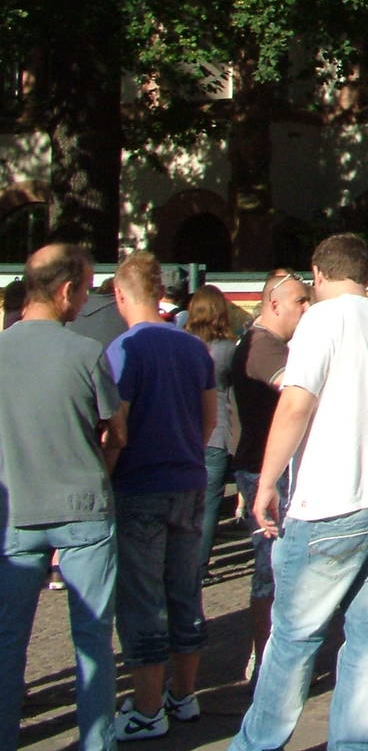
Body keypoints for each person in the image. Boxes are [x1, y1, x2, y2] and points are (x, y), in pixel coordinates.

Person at [228, 234, 368, 751]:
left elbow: (296, 404)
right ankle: (355, 742)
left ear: (317, 273)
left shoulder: (321, 320)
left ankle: (257, 744)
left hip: (335, 499)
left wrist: (267, 482)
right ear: (366, 276)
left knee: (293, 636)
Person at [0, 244, 125, 751]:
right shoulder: (85, 352)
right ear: (67, 290)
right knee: (93, 640)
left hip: (16, 514)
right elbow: (118, 432)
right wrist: (101, 464)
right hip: (83, 509)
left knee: (9, 642)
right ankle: (98, 742)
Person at [106, 252, 218, 739]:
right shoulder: (194, 347)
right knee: (185, 590)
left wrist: (104, 475)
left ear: (120, 295)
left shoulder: (124, 348)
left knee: (143, 599)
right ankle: (183, 695)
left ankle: (147, 709)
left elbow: (118, 426)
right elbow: (209, 416)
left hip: (141, 484)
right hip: (189, 479)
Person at [231, 269, 312, 679]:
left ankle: (270, 655)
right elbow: (297, 394)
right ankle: (265, 658)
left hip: (265, 466)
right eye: (300, 301)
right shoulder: (264, 347)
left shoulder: (266, 342)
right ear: (274, 305)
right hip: (265, 469)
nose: (307, 308)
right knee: (273, 568)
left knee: (281, 566)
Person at [187, 284, 238, 587]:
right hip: (217, 432)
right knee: (208, 505)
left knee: (187, 503)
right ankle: (199, 567)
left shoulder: (183, 343)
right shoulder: (227, 349)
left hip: (186, 431)